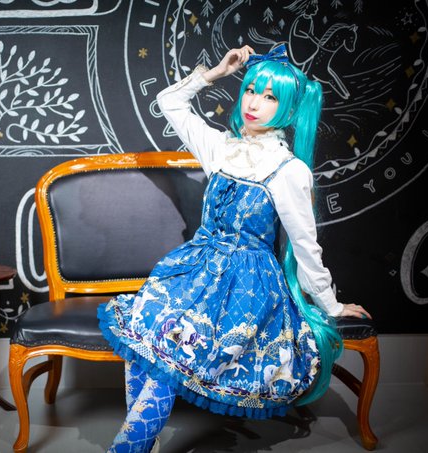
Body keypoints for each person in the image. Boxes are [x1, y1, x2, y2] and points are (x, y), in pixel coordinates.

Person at [97, 44, 372, 453]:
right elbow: (168, 102)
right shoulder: (221, 147)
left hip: (247, 285)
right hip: (196, 269)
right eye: (251, 90)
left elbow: (305, 246)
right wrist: (214, 73)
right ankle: (138, 443)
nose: (254, 103)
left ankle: (129, 446)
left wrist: (331, 305)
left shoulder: (289, 170)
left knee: (167, 348)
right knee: (144, 336)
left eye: (270, 97)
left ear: (289, 109)